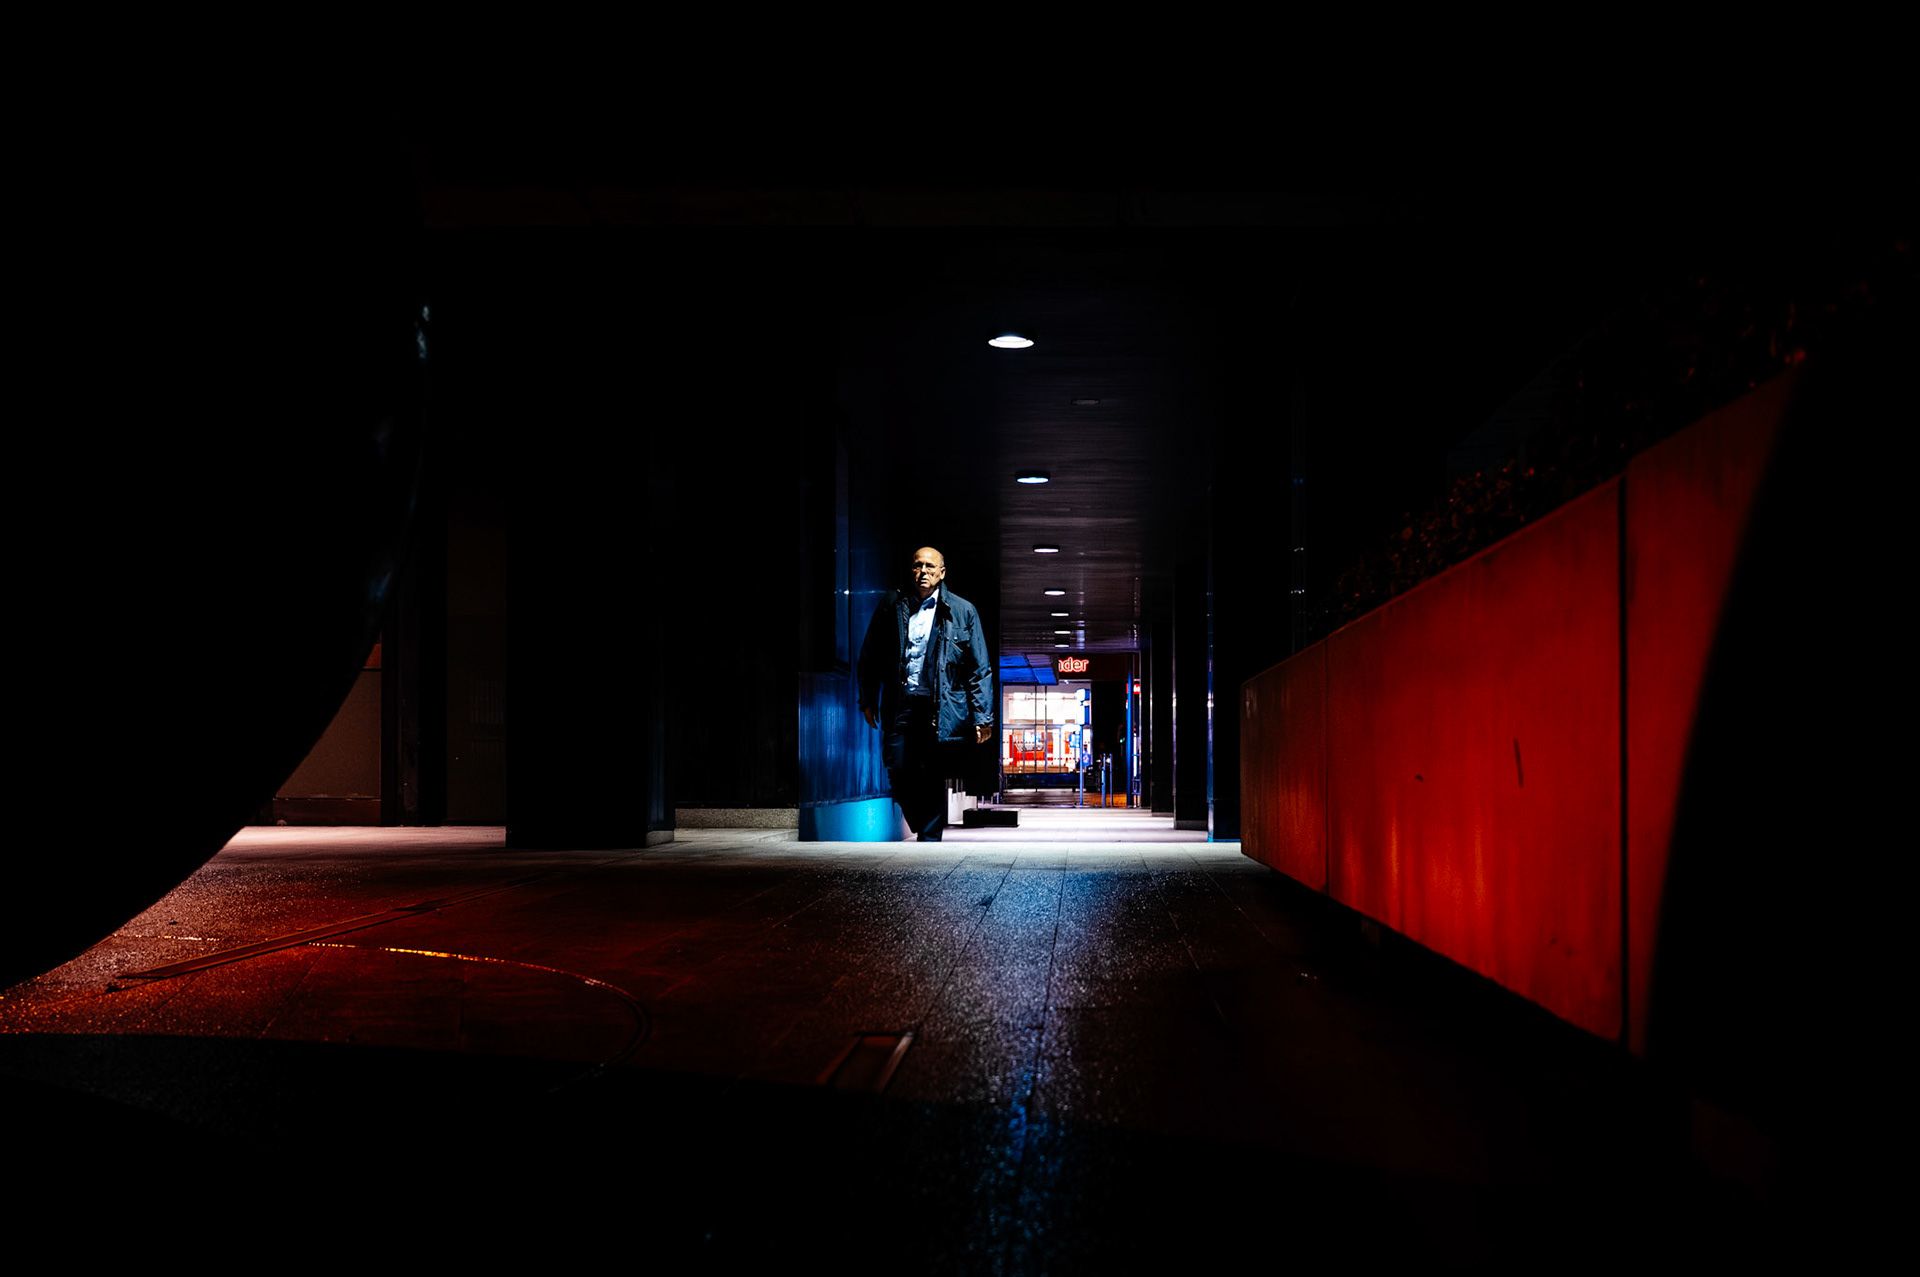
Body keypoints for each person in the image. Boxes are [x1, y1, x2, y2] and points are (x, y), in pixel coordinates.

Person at [858, 546, 994, 841]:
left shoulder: (962, 611)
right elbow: (871, 653)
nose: (923, 572)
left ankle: (930, 840)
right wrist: (867, 698)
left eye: (930, 567)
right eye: (918, 566)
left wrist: (983, 716)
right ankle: (922, 822)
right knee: (896, 765)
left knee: (931, 772)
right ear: (911, 570)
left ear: (942, 573)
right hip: (900, 702)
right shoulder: (892, 604)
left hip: (938, 707)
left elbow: (978, 668)